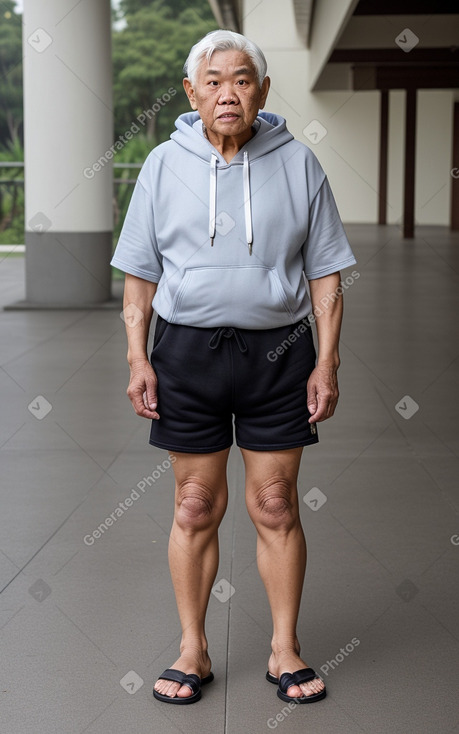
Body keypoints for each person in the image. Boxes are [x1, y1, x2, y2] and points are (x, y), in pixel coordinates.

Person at [111, 29, 356, 706]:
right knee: (194, 507)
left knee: (274, 505)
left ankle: (285, 647)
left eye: (242, 80)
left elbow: (328, 273)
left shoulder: (298, 163)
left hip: (278, 356)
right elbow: (138, 276)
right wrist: (137, 357)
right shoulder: (163, 163)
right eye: (214, 80)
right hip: (185, 353)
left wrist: (326, 361)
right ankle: (192, 646)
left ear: (262, 92)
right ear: (191, 92)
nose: (228, 93)